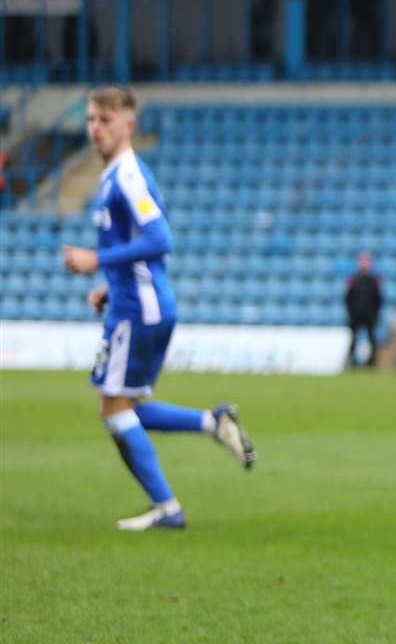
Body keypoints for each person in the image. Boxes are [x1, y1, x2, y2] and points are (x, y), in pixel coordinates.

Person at [60, 85, 255, 531]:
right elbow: (145, 246)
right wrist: (110, 285)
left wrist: (98, 262)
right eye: (90, 119)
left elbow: (159, 238)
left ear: (128, 124)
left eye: (105, 121)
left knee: (113, 410)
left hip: (139, 310)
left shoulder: (127, 175)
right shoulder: (118, 175)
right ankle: (214, 421)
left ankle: (168, 507)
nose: (95, 129)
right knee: (128, 406)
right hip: (136, 302)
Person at [344, 251, 384, 367]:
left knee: (372, 339)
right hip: (356, 315)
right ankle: (351, 361)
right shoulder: (353, 279)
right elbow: (348, 298)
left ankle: (372, 362)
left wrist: (375, 315)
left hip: (369, 316)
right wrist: (351, 313)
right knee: (353, 340)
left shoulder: (374, 280)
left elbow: (378, 299)